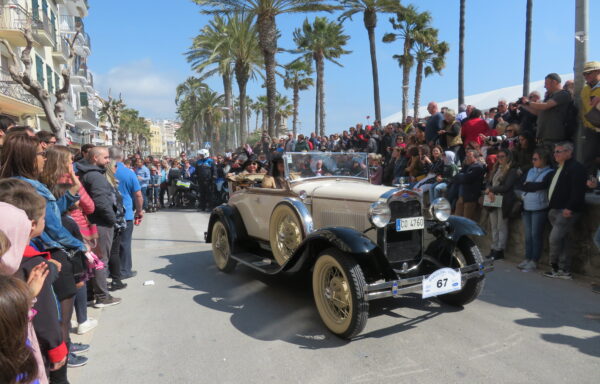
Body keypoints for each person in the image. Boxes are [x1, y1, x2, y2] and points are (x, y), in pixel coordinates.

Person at [76, 147, 122, 307]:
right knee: (100, 260)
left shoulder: (85, 172)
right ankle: (102, 296)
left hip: (90, 221)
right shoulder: (96, 176)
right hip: (100, 223)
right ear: (95, 158)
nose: (109, 161)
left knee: (92, 259)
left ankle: (91, 294)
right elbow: (102, 202)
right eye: (106, 157)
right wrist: (112, 219)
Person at [543, 142, 587, 279]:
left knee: (555, 239)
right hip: (555, 209)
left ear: (568, 153)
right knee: (563, 240)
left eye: (559, 151)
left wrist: (570, 207)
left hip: (566, 210)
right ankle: (563, 269)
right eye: (555, 151)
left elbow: (578, 191)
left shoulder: (576, 168)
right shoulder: (560, 167)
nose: (555, 154)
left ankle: (556, 267)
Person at [517, 148, 554, 272]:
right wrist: (531, 186)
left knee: (536, 235)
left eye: (535, 159)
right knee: (528, 236)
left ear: (543, 160)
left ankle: (534, 261)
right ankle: (527, 258)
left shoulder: (550, 172)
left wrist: (529, 185)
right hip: (527, 206)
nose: (533, 161)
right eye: (532, 159)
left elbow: (543, 185)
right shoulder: (530, 171)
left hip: (540, 207)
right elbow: (521, 184)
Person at [110, 147, 143, 280]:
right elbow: (138, 195)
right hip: (126, 213)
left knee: (111, 245)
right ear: (122, 158)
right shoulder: (129, 173)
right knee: (124, 244)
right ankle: (124, 271)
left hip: (108, 212)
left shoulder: (103, 171)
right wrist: (139, 211)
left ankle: (110, 271)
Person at [484, 149, 519, 260]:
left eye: (502, 156)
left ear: (508, 157)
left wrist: (491, 190)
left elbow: (506, 187)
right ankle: (494, 248)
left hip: (504, 200)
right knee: (494, 226)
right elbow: (488, 183)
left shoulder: (512, 171)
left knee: (501, 226)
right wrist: (489, 190)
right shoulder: (495, 169)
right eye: (498, 156)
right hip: (493, 199)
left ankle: (500, 250)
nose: (500, 159)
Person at [522, 73, 573, 148]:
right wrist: (523, 105)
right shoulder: (550, 96)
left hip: (555, 138)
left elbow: (545, 106)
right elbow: (538, 112)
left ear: (554, 82)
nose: (545, 86)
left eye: (546, 83)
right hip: (543, 138)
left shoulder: (563, 94)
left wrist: (528, 102)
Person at [454, 149, 485, 222]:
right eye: (466, 156)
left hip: (470, 198)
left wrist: (462, 176)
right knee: (456, 219)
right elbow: (456, 177)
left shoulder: (478, 167)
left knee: (466, 221)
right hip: (462, 197)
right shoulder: (467, 166)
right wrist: (462, 175)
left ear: (475, 158)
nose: (466, 158)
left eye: (469, 156)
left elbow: (466, 179)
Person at [580, 61, 600, 174]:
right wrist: (586, 124)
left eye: (589, 72)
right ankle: (590, 184)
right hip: (591, 130)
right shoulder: (585, 90)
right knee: (589, 158)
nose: (586, 76)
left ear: (598, 71)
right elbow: (583, 110)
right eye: (584, 74)